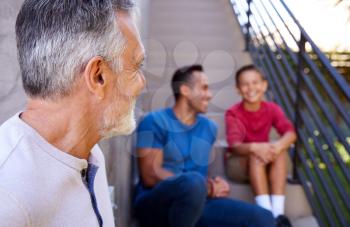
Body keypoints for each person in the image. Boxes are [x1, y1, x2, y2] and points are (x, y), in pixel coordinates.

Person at [0, 0, 145, 226]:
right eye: (136, 67)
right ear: (98, 76)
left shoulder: (90, 154)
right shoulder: (8, 197)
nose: (141, 84)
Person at [134, 65, 275, 227]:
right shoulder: (154, 121)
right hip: (156, 204)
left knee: (263, 218)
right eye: (204, 88)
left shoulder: (209, 127)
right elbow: (150, 175)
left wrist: (214, 184)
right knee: (192, 182)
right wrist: (205, 186)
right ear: (185, 90)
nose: (210, 95)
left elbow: (194, 172)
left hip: (197, 201)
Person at [225, 64, 297, 226]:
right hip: (239, 162)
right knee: (256, 154)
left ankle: (278, 216)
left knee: (279, 151)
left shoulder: (271, 109)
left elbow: (290, 133)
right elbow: (235, 145)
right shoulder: (233, 112)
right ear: (238, 89)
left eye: (255, 82)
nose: (250, 88)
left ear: (264, 85)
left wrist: (277, 146)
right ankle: (266, 216)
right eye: (245, 84)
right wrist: (256, 147)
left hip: (265, 160)